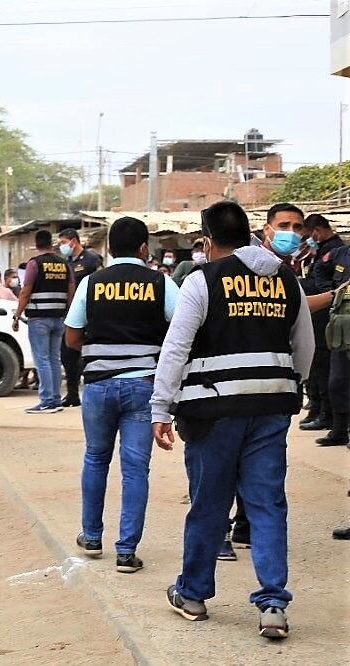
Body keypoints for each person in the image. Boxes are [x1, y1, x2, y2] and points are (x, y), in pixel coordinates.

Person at [153, 201, 313, 640]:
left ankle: (192, 595)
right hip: (270, 410)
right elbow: (305, 347)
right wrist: (288, 384)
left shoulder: (201, 280)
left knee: (209, 503)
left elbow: (176, 348)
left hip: (213, 412)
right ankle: (273, 605)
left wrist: (160, 407)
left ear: (207, 240)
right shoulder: (287, 279)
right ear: (251, 235)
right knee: (266, 504)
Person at [65, 217, 179, 573]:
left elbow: (71, 337)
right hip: (143, 387)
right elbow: (181, 331)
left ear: (109, 249)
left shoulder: (91, 283)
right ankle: (127, 552)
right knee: (135, 470)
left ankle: (92, 536)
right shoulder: (161, 283)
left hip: (98, 386)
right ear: (144, 249)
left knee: (96, 459)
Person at [14, 229, 74, 414]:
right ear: (51, 243)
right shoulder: (64, 264)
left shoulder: (34, 264)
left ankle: (47, 400)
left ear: (36, 244)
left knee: (42, 360)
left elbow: (26, 291)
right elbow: (71, 290)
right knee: (55, 359)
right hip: (59, 318)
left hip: (39, 318)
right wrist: (69, 313)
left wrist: (17, 314)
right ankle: (55, 399)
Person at [297, 214, 344, 434]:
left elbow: (329, 284)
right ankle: (318, 409)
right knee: (317, 367)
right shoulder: (318, 252)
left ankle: (329, 416)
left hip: (328, 317)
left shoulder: (335, 251)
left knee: (327, 370)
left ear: (316, 230)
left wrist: (304, 285)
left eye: (308, 234)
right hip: (317, 315)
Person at [58, 228, 103, 407]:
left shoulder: (91, 259)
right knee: (67, 354)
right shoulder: (66, 262)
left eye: (63, 243)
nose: (62, 247)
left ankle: (90, 391)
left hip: (91, 313)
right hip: (71, 314)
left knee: (87, 354)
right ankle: (72, 394)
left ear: (73, 241)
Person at [315, 242, 350, 446]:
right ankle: (339, 430)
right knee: (337, 381)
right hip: (341, 328)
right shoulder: (340, 253)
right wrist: (331, 291)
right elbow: (319, 267)